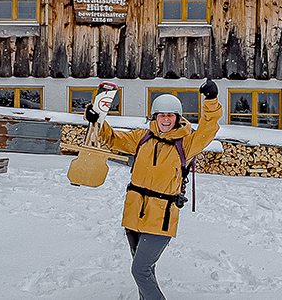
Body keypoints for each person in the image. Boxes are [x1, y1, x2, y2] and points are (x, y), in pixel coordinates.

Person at [84, 78, 221, 300]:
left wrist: (211, 100)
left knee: (140, 270)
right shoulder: (142, 137)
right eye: (161, 115)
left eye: (170, 115)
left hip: (161, 218)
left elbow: (209, 127)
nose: (165, 119)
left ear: (177, 118)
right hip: (134, 214)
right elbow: (111, 138)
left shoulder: (186, 143)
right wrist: (96, 119)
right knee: (147, 270)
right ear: (155, 116)